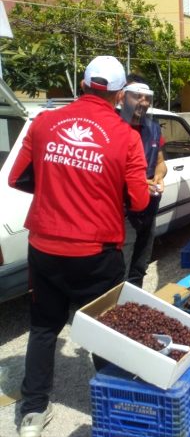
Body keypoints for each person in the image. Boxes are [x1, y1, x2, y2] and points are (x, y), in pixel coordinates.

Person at [8, 56, 150, 437]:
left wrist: (58, 187)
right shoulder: (126, 137)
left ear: (83, 85)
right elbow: (138, 202)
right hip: (96, 254)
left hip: (45, 247)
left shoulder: (43, 123)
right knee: (106, 331)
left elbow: (18, 178)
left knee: (42, 329)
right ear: (121, 95)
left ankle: (33, 414)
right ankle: (120, 409)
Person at [119, 75, 167, 287]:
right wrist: (136, 183)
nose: (144, 102)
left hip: (148, 206)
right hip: (122, 211)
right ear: (122, 96)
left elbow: (160, 162)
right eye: (137, 96)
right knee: (121, 265)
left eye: (146, 97)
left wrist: (159, 175)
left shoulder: (153, 128)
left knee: (140, 264)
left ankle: (132, 301)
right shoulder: (112, 126)